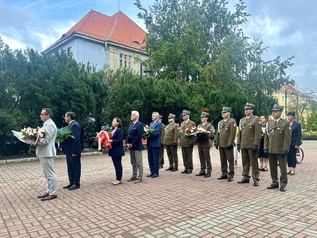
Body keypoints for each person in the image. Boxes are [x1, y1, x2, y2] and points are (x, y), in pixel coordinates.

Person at [264, 104, 291, 192]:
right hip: (271, 149)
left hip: (281, 149)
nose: (273, 113)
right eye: (272, 112)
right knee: (272, 167)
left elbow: (287, 138)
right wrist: (265, 147)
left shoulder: (285, 123)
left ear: (280, 112)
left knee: (282, 167)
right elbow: (266, 137)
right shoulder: (269, 123)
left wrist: (285, 149)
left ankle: (283, 184)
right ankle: (274, 182)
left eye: (275, 111)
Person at [36, 108, 58, 201]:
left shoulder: (50, 125)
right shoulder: (46, 124)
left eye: (42, 114)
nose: (40, 116)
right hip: (44, 152)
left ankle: (53, 192)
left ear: (48, 115)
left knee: (50, 173)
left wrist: (35, 142)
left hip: (47, 152)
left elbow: (46, 140)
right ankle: (49, 190)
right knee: (46, 173)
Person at [237, 103, 261, 186]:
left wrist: (256, 144)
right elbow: (240, 133)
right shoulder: (242, 120)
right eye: (245, 109)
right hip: (244, 144)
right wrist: (238, 143)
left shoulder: (256, 119)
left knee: (254, 162)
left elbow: (257, 133)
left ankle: (256, 178)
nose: (246, 111)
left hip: (251, 144)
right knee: (245, 162)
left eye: (248, 109)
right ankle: (245, 177)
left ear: (252, 110)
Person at [214, 107, 236, 182]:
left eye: (225, 112)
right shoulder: (220, 122)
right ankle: (224, 173)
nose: (223, 114)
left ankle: (231, 174)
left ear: (229, 113)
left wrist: (230, 143)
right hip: (221, 144)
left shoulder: (231, 121)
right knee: (223, 160)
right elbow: (218, 133)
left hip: (227, 144)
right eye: (222, 113)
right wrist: (216, 142)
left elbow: (232, 134)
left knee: (230, 160)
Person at [62, 112, 82, 191]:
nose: (64, 118)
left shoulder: (74, 125)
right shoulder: (70, 125)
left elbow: (76, 139)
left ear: (69, 117)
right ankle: (71, 181)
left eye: (65, 116)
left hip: (73, 150)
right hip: (68, 150)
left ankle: (76, 183)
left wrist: (74, 151)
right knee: (70, 166)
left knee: (75, 167)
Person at [126, 111, 144, 183]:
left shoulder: (139, 125)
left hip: (137, 146)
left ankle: (140, 176)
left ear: (137, 116)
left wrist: (132, 144)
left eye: (133, 115)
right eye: (131, 115)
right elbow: (128, 135)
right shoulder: (131, 125)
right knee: (133, 162)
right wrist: (127, 143)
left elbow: (138, 136)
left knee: (139, 162)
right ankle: (134, 175)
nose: (131, 116)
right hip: (131, 146)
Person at [196, 110, 214, 178]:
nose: (202, 119)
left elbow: (211, 134)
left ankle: (209, 171)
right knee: (201, 157)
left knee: (207, 158)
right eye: (201, 117)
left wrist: (205, 136)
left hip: (206, 143)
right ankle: (202, 170)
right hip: (200, 143)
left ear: (206, 118)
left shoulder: (209, 125)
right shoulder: (199, 125)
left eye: (203, 117)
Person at [146, 112, 163, 178]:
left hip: (155, 143)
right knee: (150, 158)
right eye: (152, 115)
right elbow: (149, 131)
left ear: (157, 116)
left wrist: (149, 135)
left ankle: (156, 172)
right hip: (150, 143)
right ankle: (152, 171)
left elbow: (157, 133)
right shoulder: (151, 123)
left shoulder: (159, 123)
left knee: (155, 159)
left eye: (153, 115)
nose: (152, 116)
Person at [109, 117, 125, 185]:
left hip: (118, 150)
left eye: (114, 121)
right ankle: (117, 178)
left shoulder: (119, 130)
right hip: (113, 150)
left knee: (118, 164)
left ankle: (119, 178)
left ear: (118, 123)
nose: (112, 122)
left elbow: (120, 140)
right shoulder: (112, 130)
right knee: (115, 164)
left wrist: (112, 141)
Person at [179, 110, 196, 174]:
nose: (183, 116)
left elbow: (194, 134)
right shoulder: (182, 123)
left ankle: (190, 168)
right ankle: (186, 167)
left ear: (188, 115)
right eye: (182, 115)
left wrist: (192, 142)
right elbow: (181, 133)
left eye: (184, 115)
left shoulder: (192, 123)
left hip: (188, 142)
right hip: (183, 142)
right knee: (184, 156)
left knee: (189, 156)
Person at [287, 111, 302, 175]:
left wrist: (297, 144)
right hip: (287, 143)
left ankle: (293, 169)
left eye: (290, 116)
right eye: (288, 116)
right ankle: (289, 168)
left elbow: (299, 135)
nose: (288, 117)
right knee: (288, 156)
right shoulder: (287, 124)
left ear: (293, 117)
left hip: (294, 143)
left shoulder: (297, 124)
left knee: (293, 156)